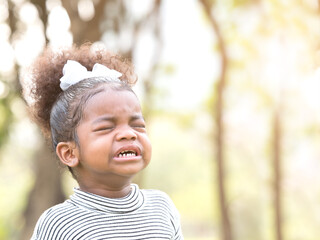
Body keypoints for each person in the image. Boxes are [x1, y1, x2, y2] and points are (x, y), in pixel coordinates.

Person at [23, 43, 183, 240]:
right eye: (107, 127)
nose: (128, 134)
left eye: (137, 125)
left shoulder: (161, 207)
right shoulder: (60, 224)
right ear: (70, 153)